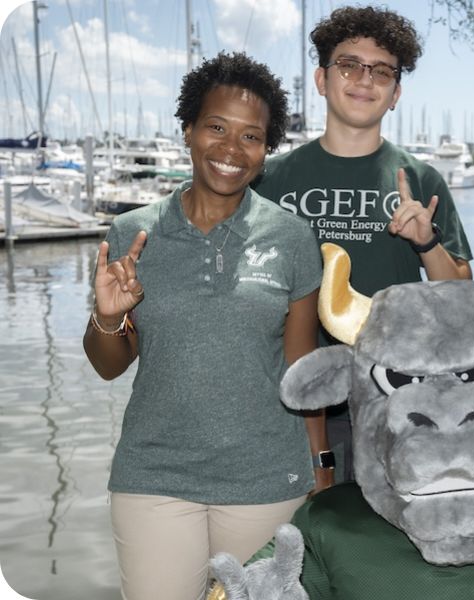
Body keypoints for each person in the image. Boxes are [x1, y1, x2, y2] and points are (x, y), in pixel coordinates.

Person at [83, 52, 325, 600]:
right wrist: (109, 315)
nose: (231, 150)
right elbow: (107, 365)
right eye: (216, 128)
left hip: (267, 478)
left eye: (251, 137)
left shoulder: (290, 237)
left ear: (265, 151)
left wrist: (321, 470)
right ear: (188, 130)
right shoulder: (131, 233)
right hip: (154, 478)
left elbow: (302, 370)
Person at [252, 5, 473, 482]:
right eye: (349, 65)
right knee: (301, 539)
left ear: (395, 93)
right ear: (320, 79)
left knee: (389, 540)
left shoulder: (421, 178)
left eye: (381, 72)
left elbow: (460, 293)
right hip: (288, 396)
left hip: (394, 393)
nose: (363, 80)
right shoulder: (271, 177)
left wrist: (425, 241)